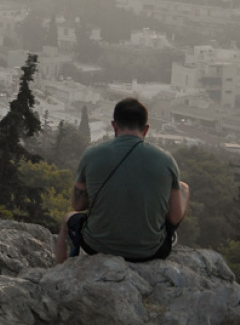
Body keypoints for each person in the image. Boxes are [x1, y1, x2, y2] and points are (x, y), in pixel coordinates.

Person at [54, 97, 191, 264]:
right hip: (149, 251)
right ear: (146, 129)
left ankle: (60, 268)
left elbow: (78, 205)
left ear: (114, 125)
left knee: (69, 218)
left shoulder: (91, 154)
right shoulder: (166, 160)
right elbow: (175, 217)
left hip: (96, 246)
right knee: (183, 188)